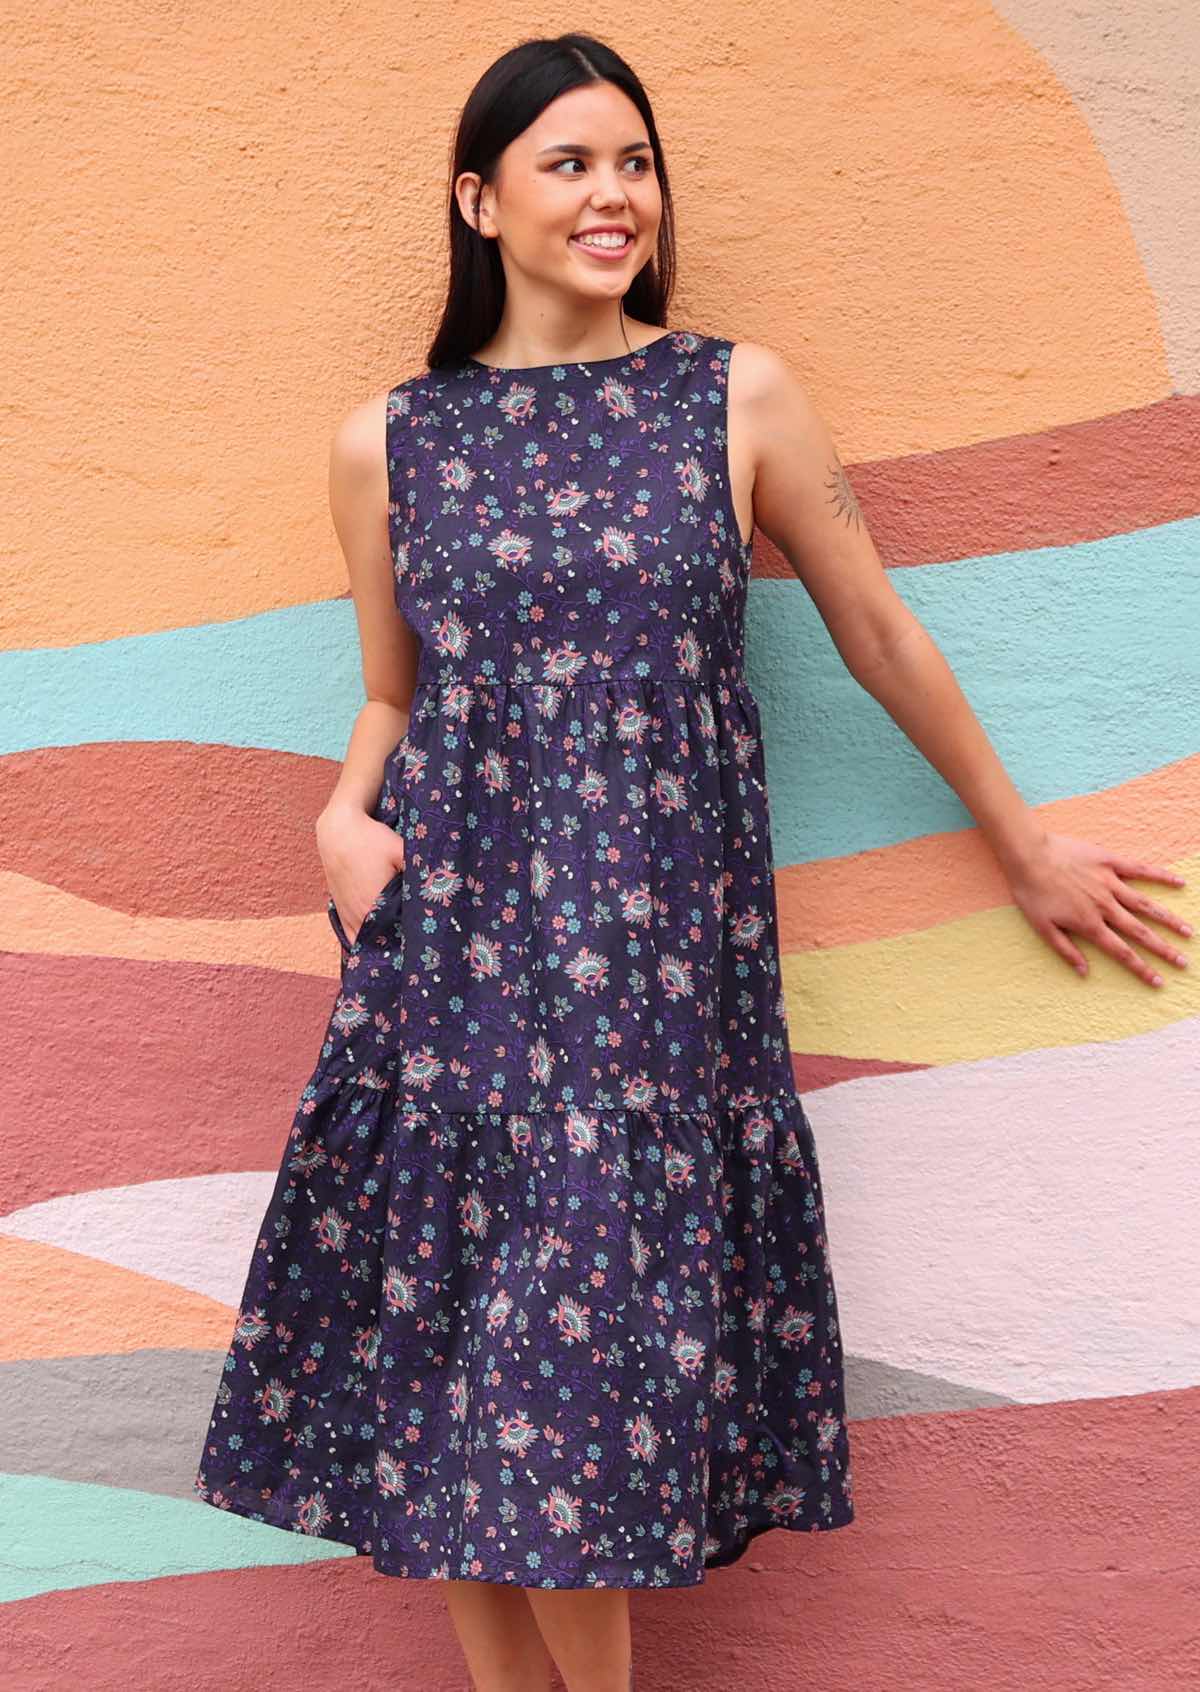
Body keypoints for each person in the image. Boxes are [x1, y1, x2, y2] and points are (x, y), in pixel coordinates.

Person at [193, 31, 1191, 1692]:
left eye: (634, 162)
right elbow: (392, 686)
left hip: (655, 973)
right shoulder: (391, 441)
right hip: (455, 950)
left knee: (569, 1413)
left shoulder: (735, 393)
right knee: (460, 1387)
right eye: (570, 162)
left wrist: (1020, 846)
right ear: (480, 198)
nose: (613, 195)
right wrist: (338, 815)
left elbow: (877, 630)